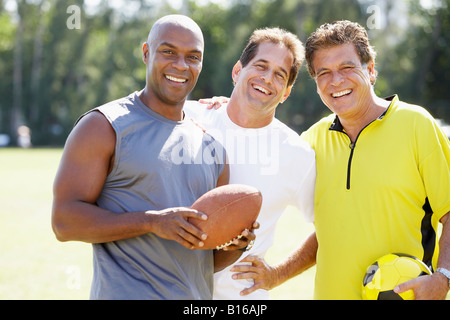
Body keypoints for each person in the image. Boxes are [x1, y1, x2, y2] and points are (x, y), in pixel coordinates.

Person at [51, 15, 258, 300]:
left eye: (192, 57)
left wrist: (234, 245)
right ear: (147, 53)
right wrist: (151, 222)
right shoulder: (103, 126)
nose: (180, 65)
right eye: (168, 51)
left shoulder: (213, 150)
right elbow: (64, 222)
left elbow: (202, 263)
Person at [299, 20, 450, 299]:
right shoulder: (311, 141)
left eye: (347, 68)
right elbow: (326, 235)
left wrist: (444, 277)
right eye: (324, 73)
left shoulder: (416, 124)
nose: (336, 81)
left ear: (370, 70)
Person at [185, 27, 317, 300]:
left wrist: (278, 273)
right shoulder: (188, 119)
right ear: (237, 71)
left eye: (280, 75)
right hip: (171, 291)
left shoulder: (297, 154)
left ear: (286, 93)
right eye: (261, 66)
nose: (267, 78)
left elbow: (331, 229)